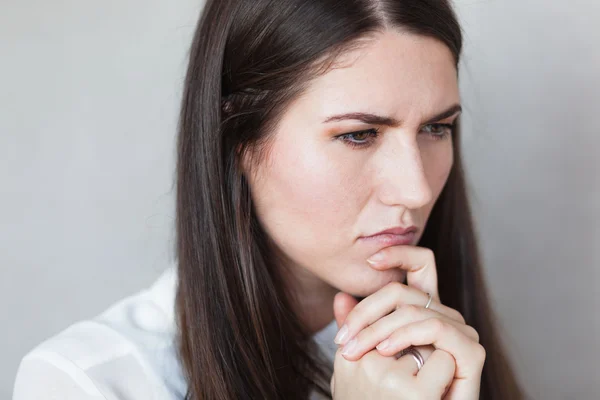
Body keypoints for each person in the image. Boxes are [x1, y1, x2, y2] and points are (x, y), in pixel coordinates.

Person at [14, 0, 527, 399]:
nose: (416, 189)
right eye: (358, 135)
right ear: (237, 138)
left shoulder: (452, 358)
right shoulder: (91, 383)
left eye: (437, 128)